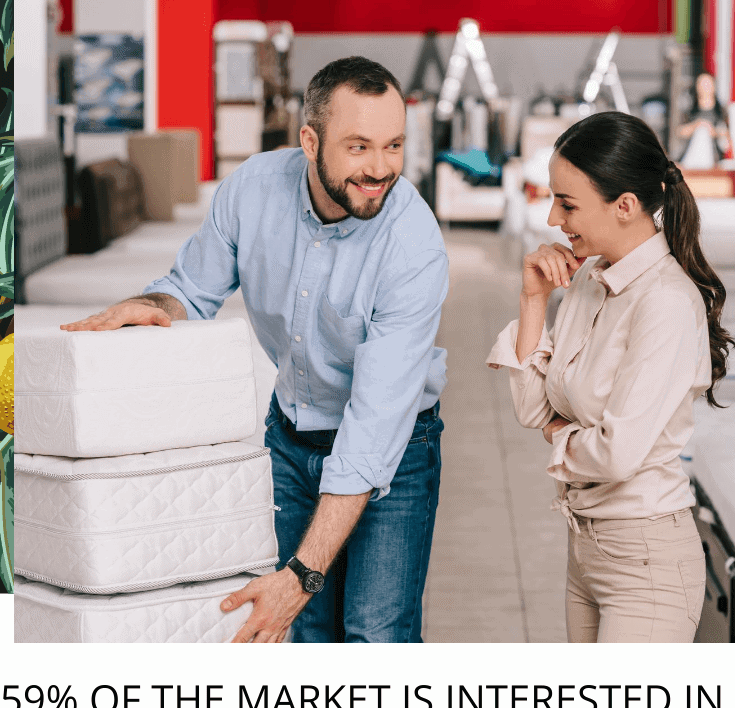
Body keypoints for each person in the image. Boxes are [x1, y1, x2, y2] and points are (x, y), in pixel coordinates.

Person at [61, 57, 448, 644]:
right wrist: (149, 306)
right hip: (291, 436)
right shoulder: (254, 188)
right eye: (359, 147)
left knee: (375, 636)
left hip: (395, 446)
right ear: (310, 141)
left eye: (393, 145)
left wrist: (303, 574)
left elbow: (371, 432)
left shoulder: (413, 245)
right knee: (306, 634)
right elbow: (192, 288)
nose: (380, 168)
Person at [486, 111, 733, 643]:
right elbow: (531, 408)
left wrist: (558, 434)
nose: (553, 217)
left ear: (625, 205)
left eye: (567, 203)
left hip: (647, 560)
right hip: (585, 550)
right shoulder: (587, 282)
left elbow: (617, 453)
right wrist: (533, 300)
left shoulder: (665, 302)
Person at [677, 72, 732, 168]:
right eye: (701, 84)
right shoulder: (690, 110)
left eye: (707, 84)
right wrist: (696, 125)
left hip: (715, 158)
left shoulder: (722, 111)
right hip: (690, 158)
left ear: (714, 86)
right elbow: (679, 131)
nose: (704, 87)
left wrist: (714, 131)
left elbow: (728, 135)